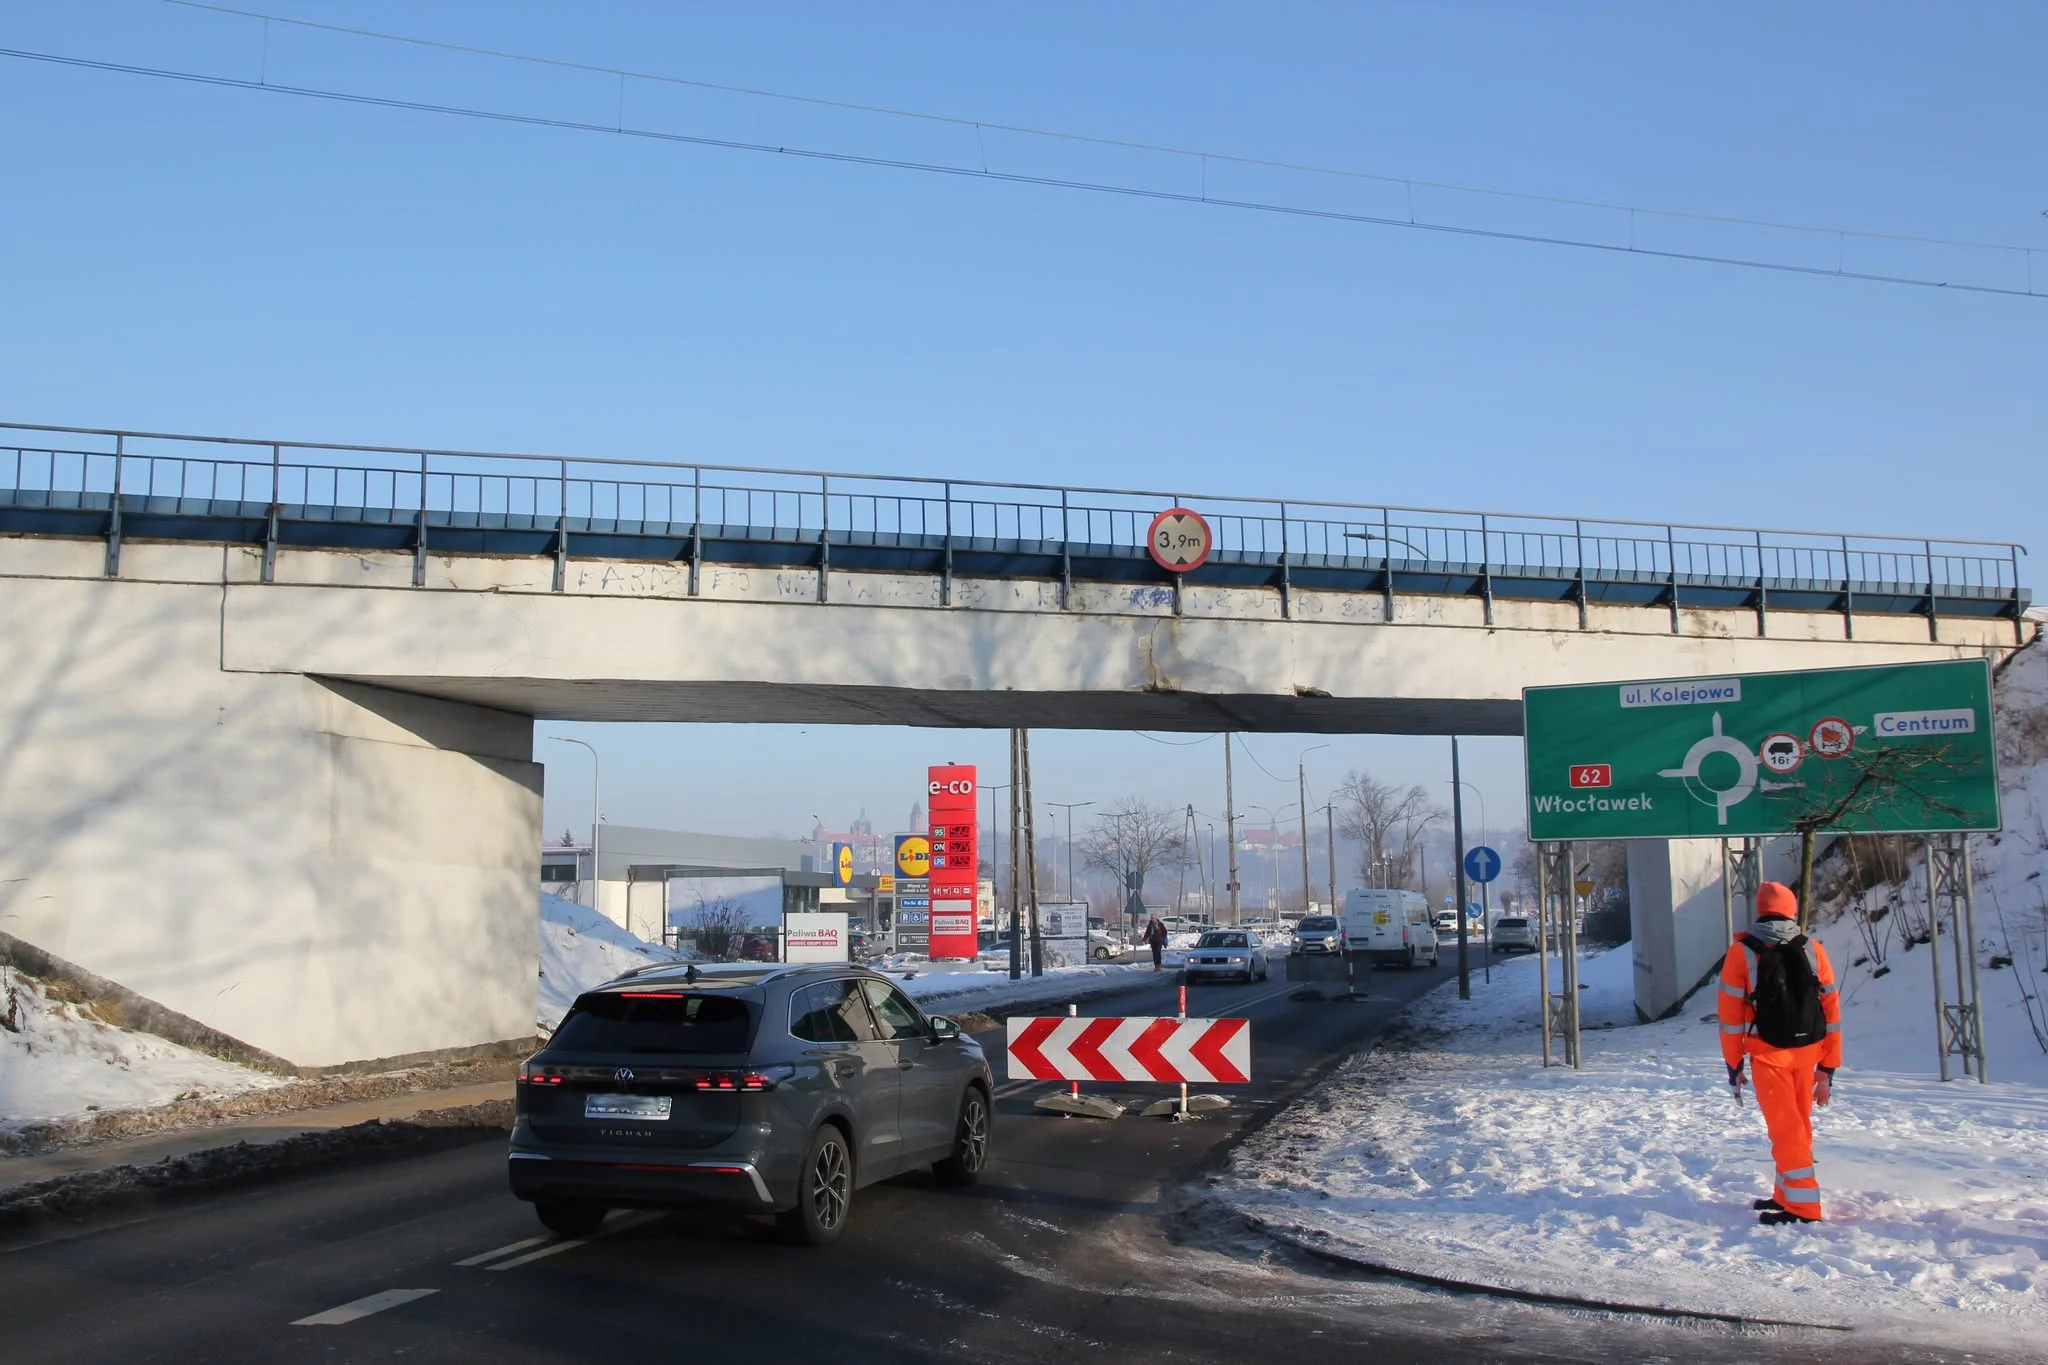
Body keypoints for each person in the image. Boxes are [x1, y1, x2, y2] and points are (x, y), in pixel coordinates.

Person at [1718, 881, 1842, 1225]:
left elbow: (1730, 1018)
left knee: (1785, 1128)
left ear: (1760, 910)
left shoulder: (1742, 952)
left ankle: (1803, 1207)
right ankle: (1786, 1194)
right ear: (1791, 910)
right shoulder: (1813, 948)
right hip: (1808, 1051)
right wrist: (1828, 1065)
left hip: (1769, 1053)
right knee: (1798, 1125)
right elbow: (1831, 1010)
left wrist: (1734, 1063)